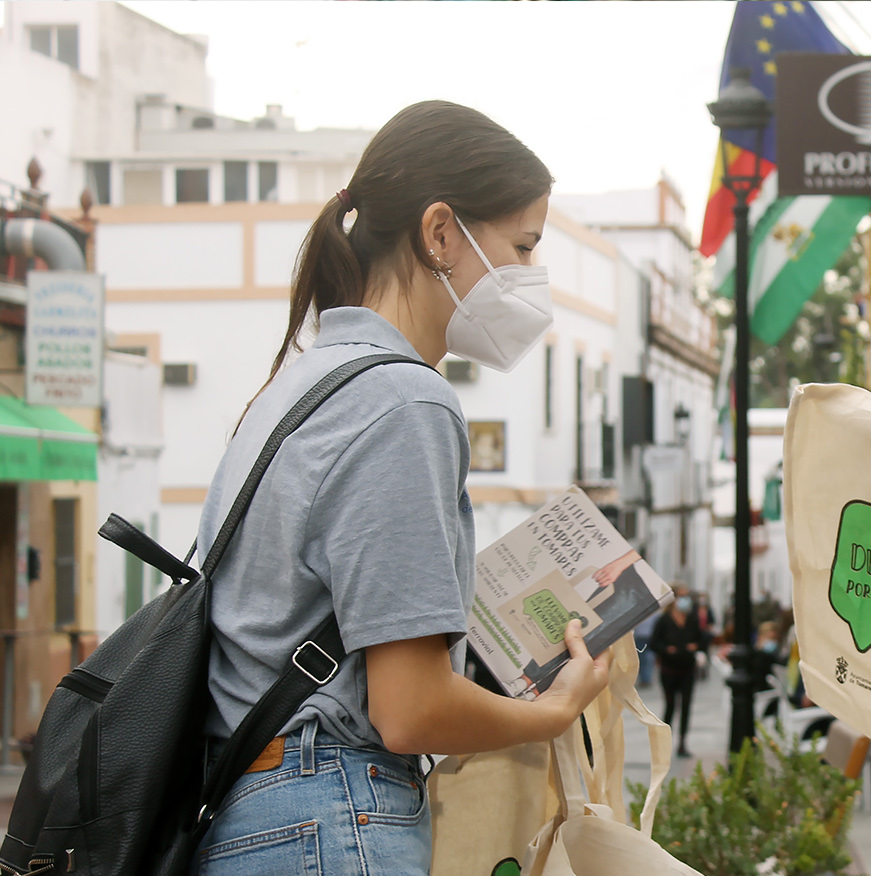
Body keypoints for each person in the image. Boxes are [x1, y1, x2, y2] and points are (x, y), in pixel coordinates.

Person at [195, 100, 612, 875]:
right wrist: (551, 709)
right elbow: (409, 709)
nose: (528, 279)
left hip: (256, 810)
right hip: (330, 815)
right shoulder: (404, 402)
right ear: (441, 233)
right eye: (522, 246)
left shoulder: (299, 385)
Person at [650, 587, 706, 757]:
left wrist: (695, 646)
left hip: (688, 669)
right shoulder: (663, 620)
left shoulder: (692, 619)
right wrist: (667, 649)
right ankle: (665, 743)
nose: (684, 600)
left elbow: (702, 639)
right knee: (670, 706)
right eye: (681, 597)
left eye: (686, 596)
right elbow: (654, 643)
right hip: (669, 670)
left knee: (686, 706)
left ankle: (682, 743)